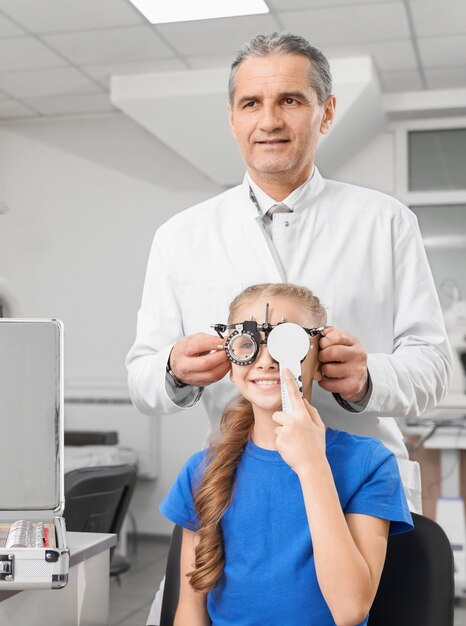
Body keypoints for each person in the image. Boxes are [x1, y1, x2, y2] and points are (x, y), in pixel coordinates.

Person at [126, 32, 452, 517]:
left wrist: (367, 377)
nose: (270, 120)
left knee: (359, 595)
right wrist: (173, 370)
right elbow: (141, 379)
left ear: (327, 112)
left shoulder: (385, 222)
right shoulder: (180, 236)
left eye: (291, 100)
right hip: (238, 487)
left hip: (358, 490)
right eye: (251, 103)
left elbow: (434, 369)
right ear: (233, 120)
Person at [160, 283, 413, 626]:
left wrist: (312, 466)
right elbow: (191, 610)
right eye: (247, 345)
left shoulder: (368, 465)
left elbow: (350, 609)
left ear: (321, 359)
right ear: (231, 362)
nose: (265, 361)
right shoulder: (202, 471)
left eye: (287, 344)